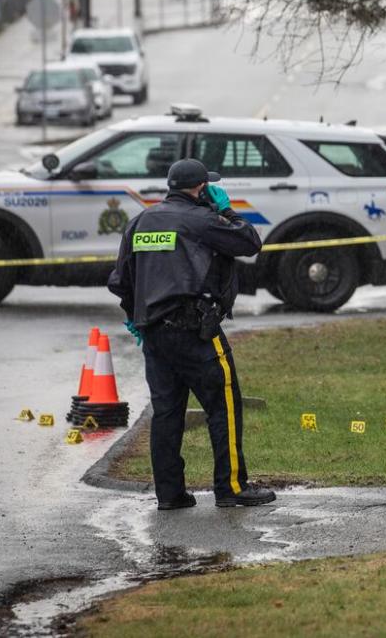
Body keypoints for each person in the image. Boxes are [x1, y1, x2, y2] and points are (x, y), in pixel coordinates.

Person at [107, 158, 276, 510]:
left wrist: (137, 317)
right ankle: (231, 487)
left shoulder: (140, 222)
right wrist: (226, 208)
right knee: (223, 405)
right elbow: (249, 241)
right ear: (201, 188)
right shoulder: (202, 220)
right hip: (196, 331)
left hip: (154, 333)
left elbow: (121, 281)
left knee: (167, 413)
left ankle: (169, 494)